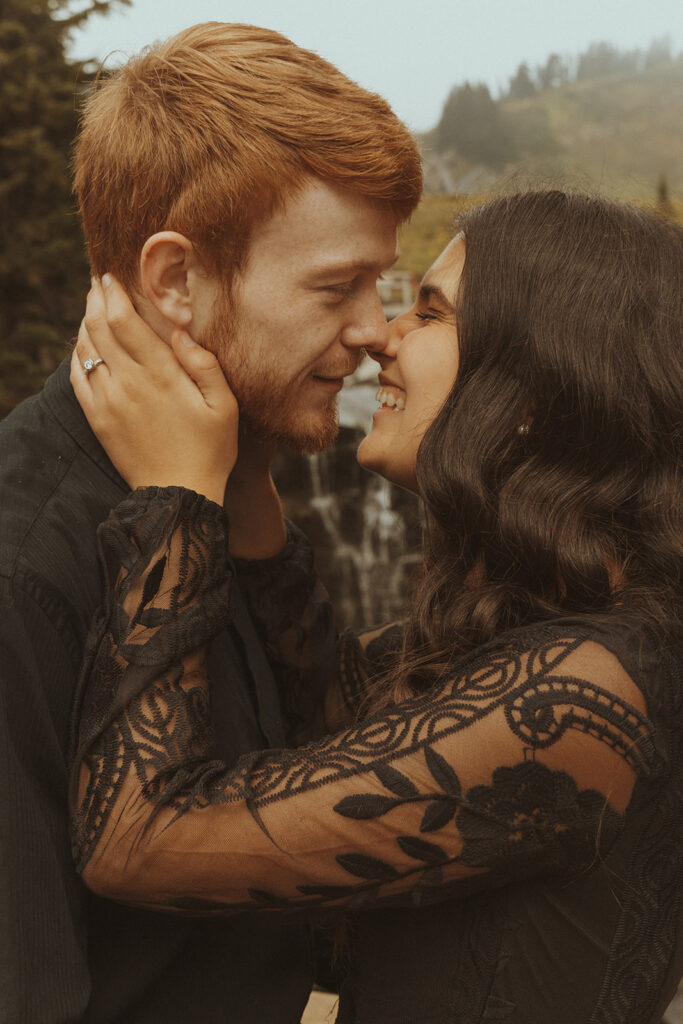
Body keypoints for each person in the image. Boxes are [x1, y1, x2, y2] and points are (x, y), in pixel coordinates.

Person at [69, 190, 682, 1023]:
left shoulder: (585, 695)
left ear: (535, 391)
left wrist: (171, 496)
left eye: (429, 313)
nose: (381, 336)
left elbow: (141, 841)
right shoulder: (534, 631)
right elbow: (313, 709)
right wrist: (245, 466)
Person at [0, 21, 421, 1022]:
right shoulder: (24, 568)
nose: (373, 331)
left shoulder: (233, 495)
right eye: (334, 286)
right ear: (175, 281)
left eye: (382, 281)